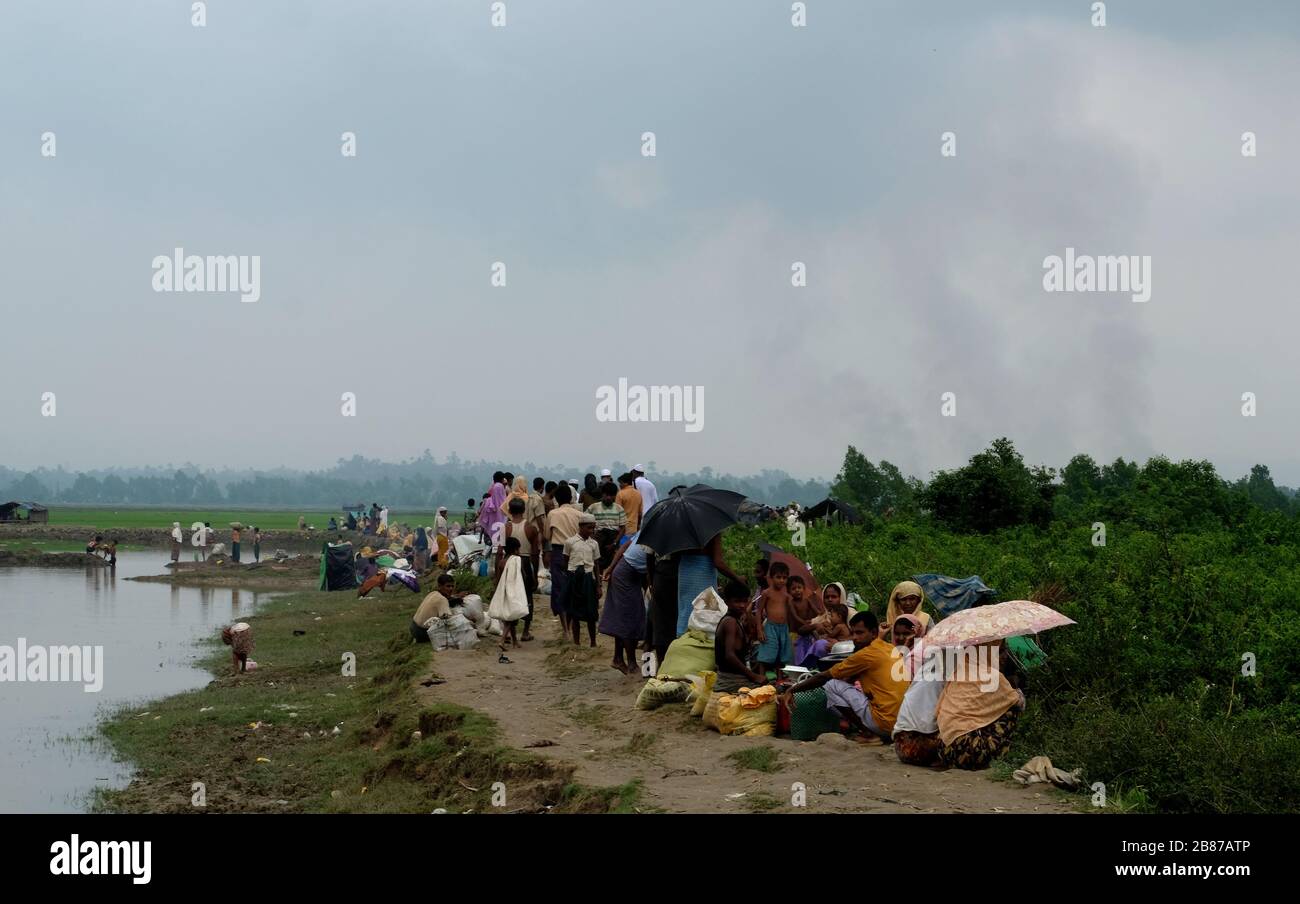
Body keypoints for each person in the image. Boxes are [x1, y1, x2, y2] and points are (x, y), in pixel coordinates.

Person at [781, 610, 909, 744]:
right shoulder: (888, 647)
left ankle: (868, 734)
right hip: (900, 724)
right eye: (853, 633)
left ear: (873, 633)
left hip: (884, 724)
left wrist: (793, 689)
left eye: (860, 633)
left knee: (831, 685)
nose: (854, 637)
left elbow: (824, 677)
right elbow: (851, 676)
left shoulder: (866, 654)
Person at [936, 641, 1025, 769]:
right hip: (970, 752)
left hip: (944, 750)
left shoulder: (959, 672)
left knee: (993, 708)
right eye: (999, 651)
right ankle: (999, 756)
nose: (1005, 656)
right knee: (1011, 708)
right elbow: (1020, 704)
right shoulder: (994, 677)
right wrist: (1016, 691)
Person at [891, 614, 943, 766]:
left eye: (906, 634)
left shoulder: (925, 664)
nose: (901, 638)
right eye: (898, 634)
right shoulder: (930, 669)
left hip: (900, 745)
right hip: (913, 748)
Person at [600, 530, 649, 674]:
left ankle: (618, 658)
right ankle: (632, 663)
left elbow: (625, 546)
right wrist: (611, 568)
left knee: (627, 616)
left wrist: (611, 568)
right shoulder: (656, 533)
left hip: (628, 572)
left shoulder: (647, 529)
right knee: (629, 618)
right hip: (625, 574)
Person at [545, 483, 584, 633]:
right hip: (576, 552)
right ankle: (573, 625)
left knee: (559, 589)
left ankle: (565, 629)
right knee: (574, 588)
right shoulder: (579, 515)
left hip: (559, 552)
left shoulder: (553, 514)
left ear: (557, 499)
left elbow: (547, 536)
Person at [714, 581, 765, 693]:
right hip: (730, 681)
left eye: (744, 601)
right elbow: (729, 655)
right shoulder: (730, 622)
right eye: (737, 601)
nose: (742, 605)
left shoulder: (736, 620)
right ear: (726, 601)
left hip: (734, 678)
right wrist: (753, 676)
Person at [560, 513, 602, 646]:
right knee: (574, 612)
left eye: (593, 528)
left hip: (589, 578)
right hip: (574, 578)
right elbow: (565, 562)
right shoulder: (570, 542)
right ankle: (576, 643)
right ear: (581, 527)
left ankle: (593, 642)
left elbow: (596, 564)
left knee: (591, 612)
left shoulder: (594, 544)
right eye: (589, 528)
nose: (591, 531)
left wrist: (599, 585)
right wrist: (569, 580)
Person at [501, 498, 540, 642]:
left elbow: (499, 552)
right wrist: (535, 574)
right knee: (527, 596)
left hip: (509, 562)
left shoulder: (505, 528)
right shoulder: (531, 528)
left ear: (510, 511)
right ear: (524, 511)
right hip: (525, 563)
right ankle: (525, 631)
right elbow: (535, 554)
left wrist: (498, 573)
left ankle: (509, 632)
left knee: (510, 596)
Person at [489, 536, 529, 656]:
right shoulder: (516, 560)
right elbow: (522, 575)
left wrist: (496, 591)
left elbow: (498, 578)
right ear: (516, 550)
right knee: (511, 618)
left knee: (510, 616)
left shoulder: (501, 562)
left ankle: (515, 641)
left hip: (503, 591)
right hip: (514, 591)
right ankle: (502, 640)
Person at [754, 561, 792, 673]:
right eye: (778, 577)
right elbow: (759, 610)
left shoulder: (786, 595)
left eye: (784, 578)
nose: (781, 580)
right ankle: (761, 675)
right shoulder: (767, 593)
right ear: (771, 578)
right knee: (767, 651)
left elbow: (789, 612)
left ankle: (779, 677)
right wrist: (759, 629)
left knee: (781, 652)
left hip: (783, 628)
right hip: (771, 627)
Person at [586, 481, 627, 571]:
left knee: (613, 565)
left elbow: (623, 528)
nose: (609, 498)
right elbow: (585, 523)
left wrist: (615, 543)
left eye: (611, 495)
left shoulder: (619, 508)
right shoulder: (593, 507)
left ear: (615, 496)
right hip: (597, 538)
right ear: (602, 494)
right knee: (595, 563)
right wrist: (592, 539)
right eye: (606, 495)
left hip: (613, 540)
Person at [410, 573, 462, 643]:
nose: (451, 589)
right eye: (448, 586)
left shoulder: (433, 593)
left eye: (452, 586)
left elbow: (449, 599)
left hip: (413, 627)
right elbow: (448, 620)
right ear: (440, 586)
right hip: (422, 632)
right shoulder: (442, 600)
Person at [788, 573, 827, 665]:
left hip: (808, 629)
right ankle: (800, 667)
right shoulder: (791, 603)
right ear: (789, 591)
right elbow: (795, 616)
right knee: (799, 651)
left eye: (799, 587)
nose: (797, 590)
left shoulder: (807, 600)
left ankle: (812, 664)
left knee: (810, 646)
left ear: (803, 588)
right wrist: (804, 622)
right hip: (797, 632)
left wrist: (820, 613)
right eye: (793, 589)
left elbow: (815, 609)